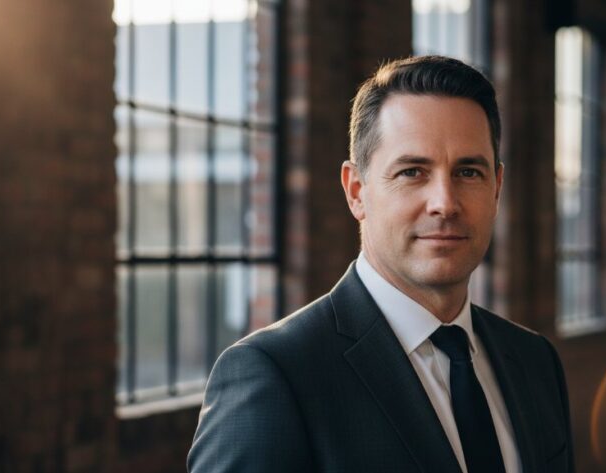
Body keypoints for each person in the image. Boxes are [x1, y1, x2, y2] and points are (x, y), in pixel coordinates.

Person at [188, 55, 574, 473]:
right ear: (357, 191)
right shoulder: (275, 375)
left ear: (496, 188)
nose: (444, 203)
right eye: (412, 172)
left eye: (468, 172)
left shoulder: (535, 361)